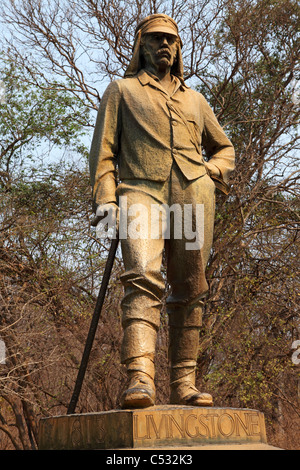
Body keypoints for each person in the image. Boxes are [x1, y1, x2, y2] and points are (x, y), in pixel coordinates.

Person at [89, 14, 235, 409]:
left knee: (191, 287)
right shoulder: (121, 91)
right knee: (141, 277)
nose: (164, 46)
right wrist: (105, 202)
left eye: (170, 40)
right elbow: (103, 154)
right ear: (142, 45)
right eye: (156, 40)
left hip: (191, 196)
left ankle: (184, 383)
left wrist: (210, 172)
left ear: (179, 48)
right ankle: (140, 377)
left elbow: (225, 148)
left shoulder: (195, 100)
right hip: (140, 193)